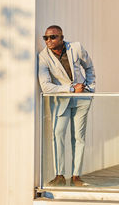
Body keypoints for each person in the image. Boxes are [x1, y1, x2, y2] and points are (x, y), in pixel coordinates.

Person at [38, 25, 95, 187]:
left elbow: (89, 67)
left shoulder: (75, 47)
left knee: (78, 137)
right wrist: (70, 89)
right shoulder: (43, 57)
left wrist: (90, 89)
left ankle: (76, 176)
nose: (49, 41)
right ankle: (59, 175)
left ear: (62, 38)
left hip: (82, 99)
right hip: (61, 101)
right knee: (57, 136)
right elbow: (46, 86)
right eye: (46, 38)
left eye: (53, 37)